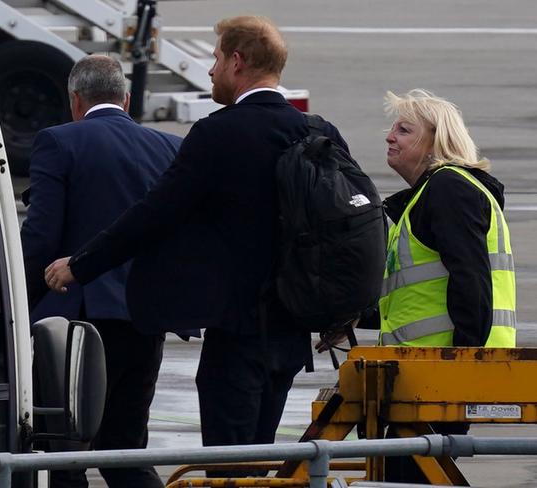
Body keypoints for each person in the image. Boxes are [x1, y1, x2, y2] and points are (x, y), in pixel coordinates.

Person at [44, 15, 351, 473]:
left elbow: (151, 215)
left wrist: (81, 265)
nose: (209, 71)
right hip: (292, 338)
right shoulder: (318, 131)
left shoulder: (219, 134)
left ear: (237, 61)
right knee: (258, 468)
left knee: (228, 471)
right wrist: (340, 310)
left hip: (238, 335)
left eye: (215, 59)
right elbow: (347, 225)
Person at [20, 54, 181, 488]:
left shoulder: (59, 142)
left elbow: (40, 237)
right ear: (126, 99)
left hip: (77, 324)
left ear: (75, 100)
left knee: (64, 455)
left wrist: (14, 303)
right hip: (144, 320)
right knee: (126, 453)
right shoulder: (169, 147)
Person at [378, 89, 516, 482]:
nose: (390, 137)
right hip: (427, 375)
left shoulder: (448, 188)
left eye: (404, 130)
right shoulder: (430, 195)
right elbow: (415, 294)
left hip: (442, 375)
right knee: (404, 470)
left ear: (435, 142)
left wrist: (461, 365)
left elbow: (471, 281)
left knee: (409, 473)